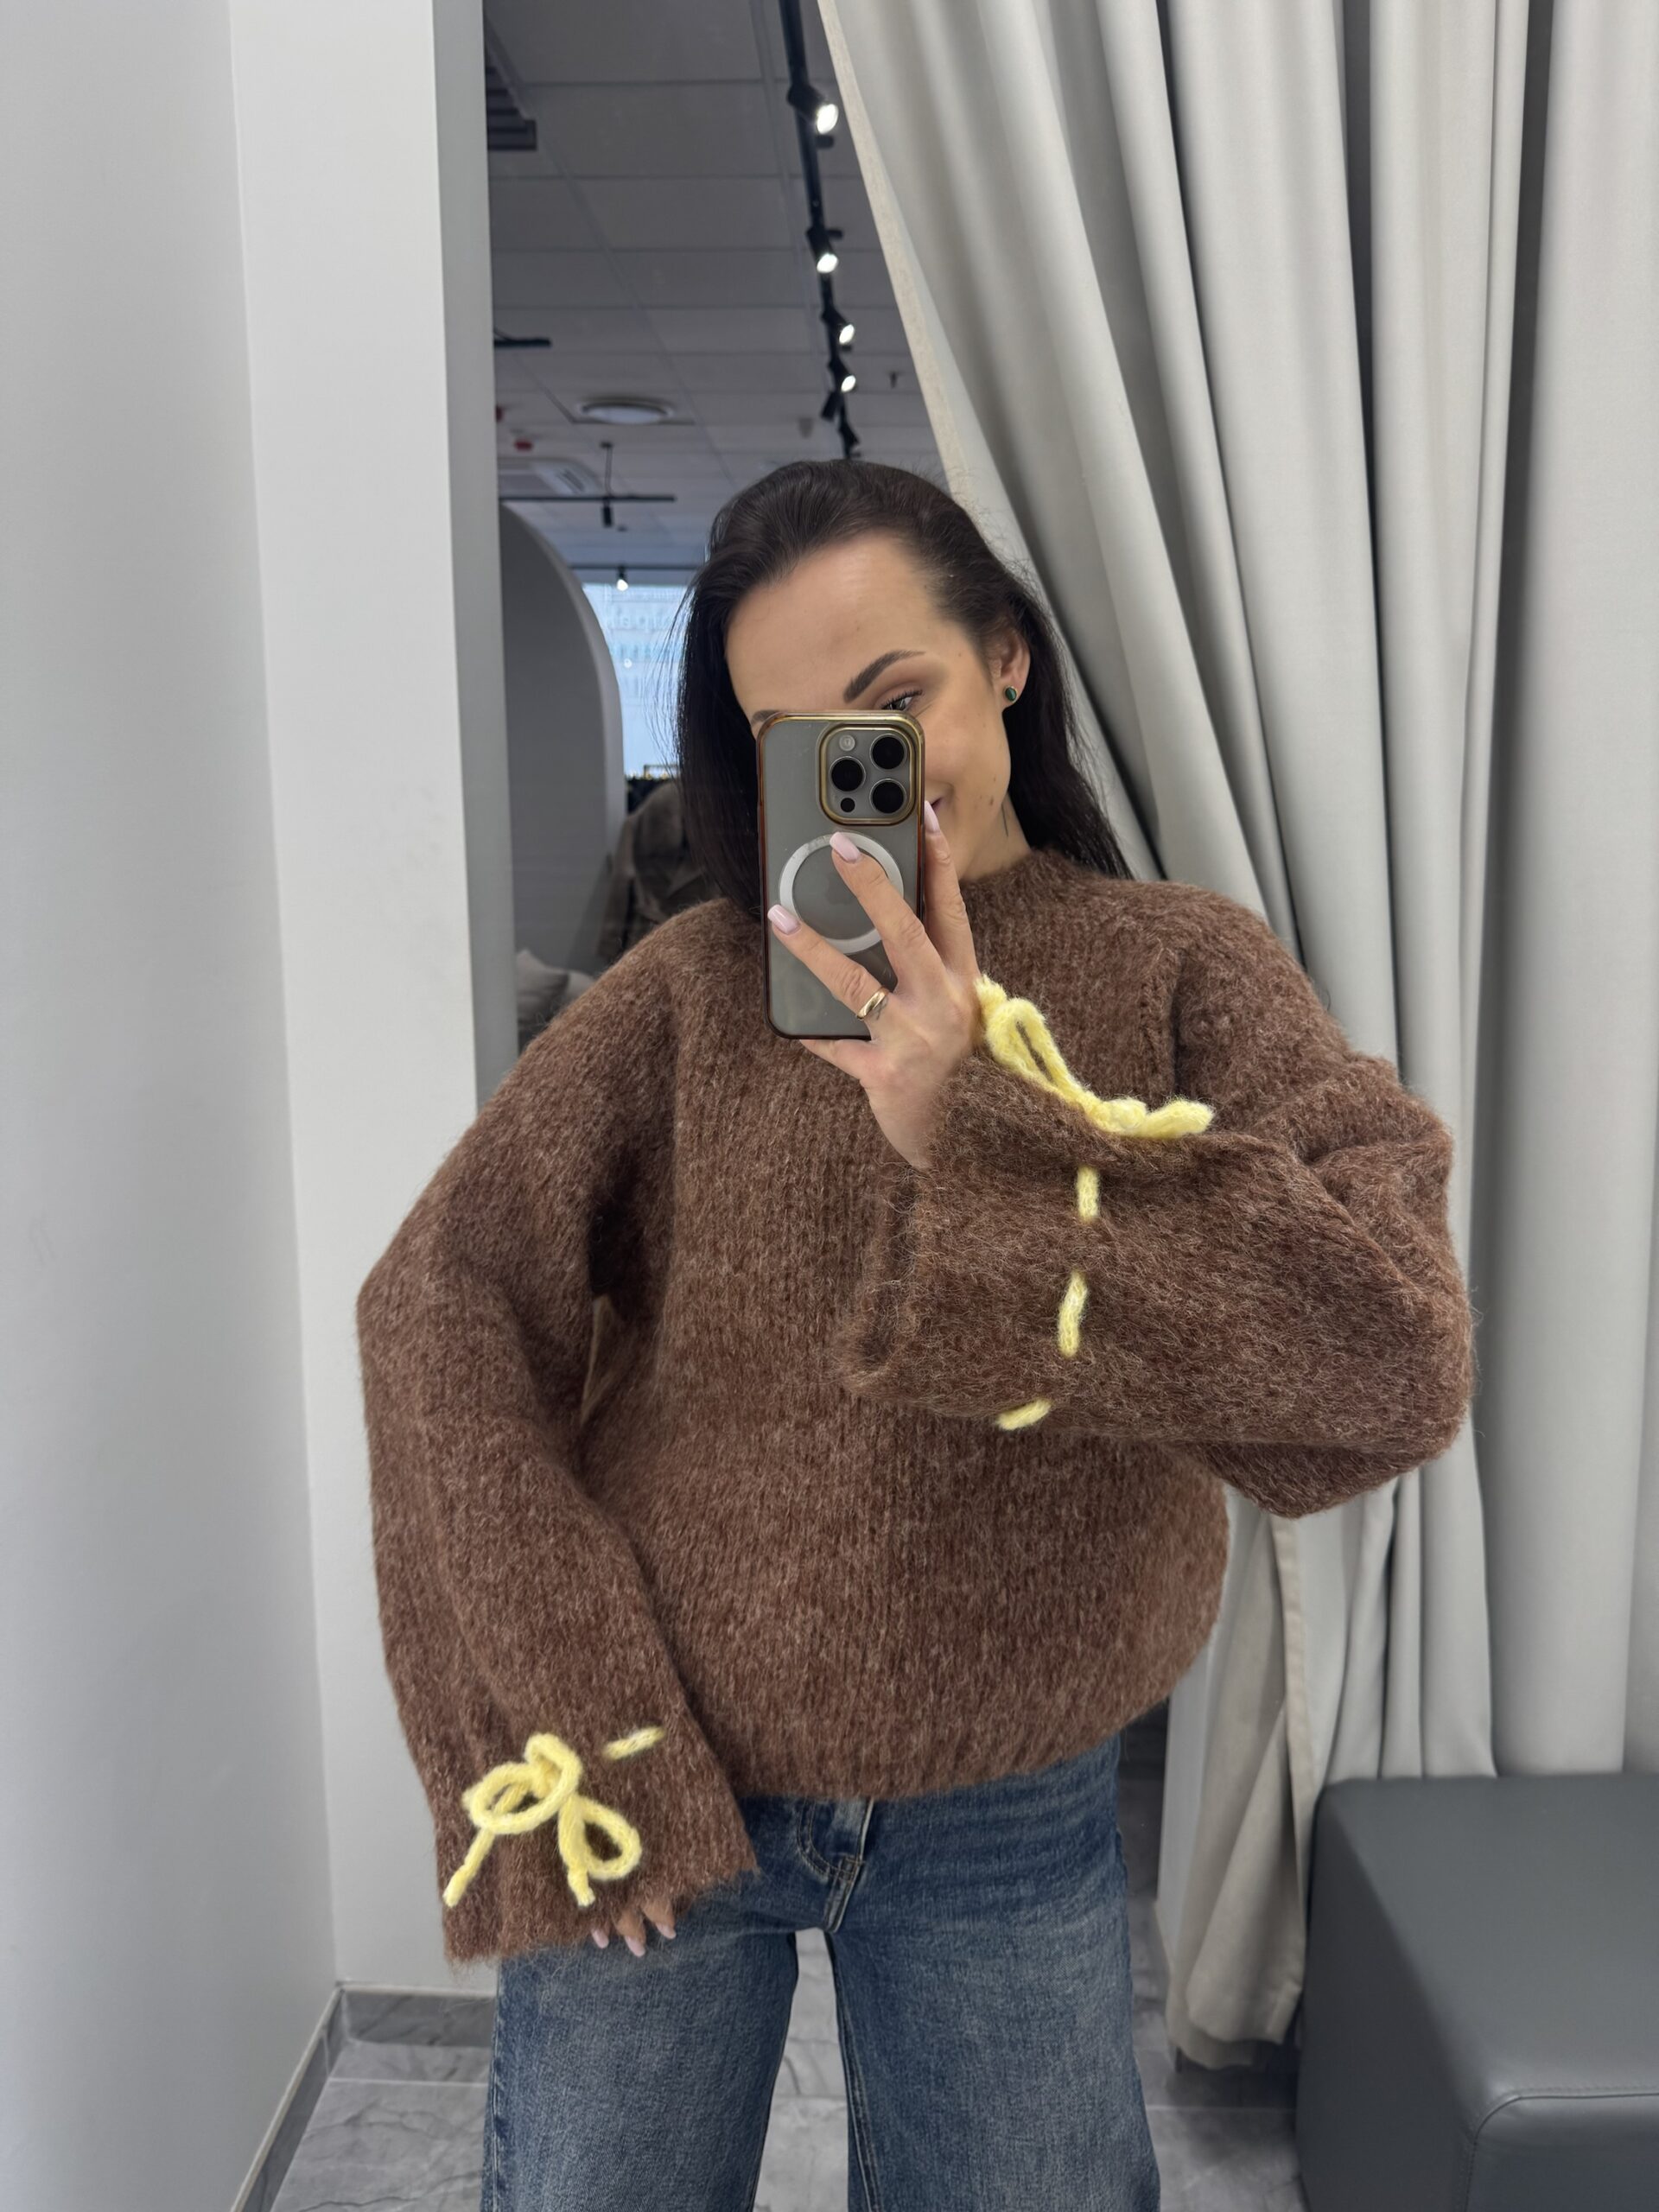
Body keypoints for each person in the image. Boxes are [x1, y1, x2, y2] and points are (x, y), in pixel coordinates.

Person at [355, 461, 1476, 2211]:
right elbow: (436, 1300)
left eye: (895, 702)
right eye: (794, 736)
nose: (862, 769)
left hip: (1007, 1803)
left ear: (1006, 656)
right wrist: (578, 1709)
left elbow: (1397, 1349)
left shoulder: (1183, 968)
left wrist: (975, 1121)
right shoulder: (691, 991)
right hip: (659, 1771)